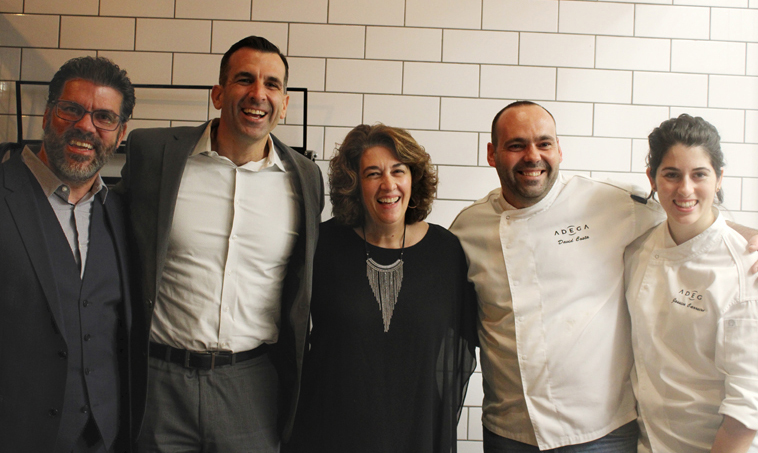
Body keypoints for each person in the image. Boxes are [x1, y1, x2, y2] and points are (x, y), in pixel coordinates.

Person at [117, 36, 324, 451]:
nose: (257, 94)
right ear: (218, 94)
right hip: (159, 379)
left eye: (272, 85)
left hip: (251, 385)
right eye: (244, 79)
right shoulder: (154, 153)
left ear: (284, 104)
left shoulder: (305, 178)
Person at [286, 124, 477, 452]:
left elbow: (462, 349)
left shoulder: (447, 252)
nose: (388, 185)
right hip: (330, 433)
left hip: (417, 432)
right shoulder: (322, 245)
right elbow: (290, 337)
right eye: (373, 173)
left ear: (413, 178)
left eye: (398, 171)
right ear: (354, 185)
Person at [0, 56, 135, 453]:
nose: (85, 126)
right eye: (72, 110)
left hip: (105, 439)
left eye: (104, 117)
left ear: (120, 132)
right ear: (47, 114)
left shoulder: (122, 213)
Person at [624, 114, 758, 453]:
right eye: (671, 175)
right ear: (652, 180)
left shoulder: (745, 269)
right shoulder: (638, 249)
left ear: (718, 179)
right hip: (645, 442)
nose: (685, 189)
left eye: (699, 174)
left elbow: (748, 408)